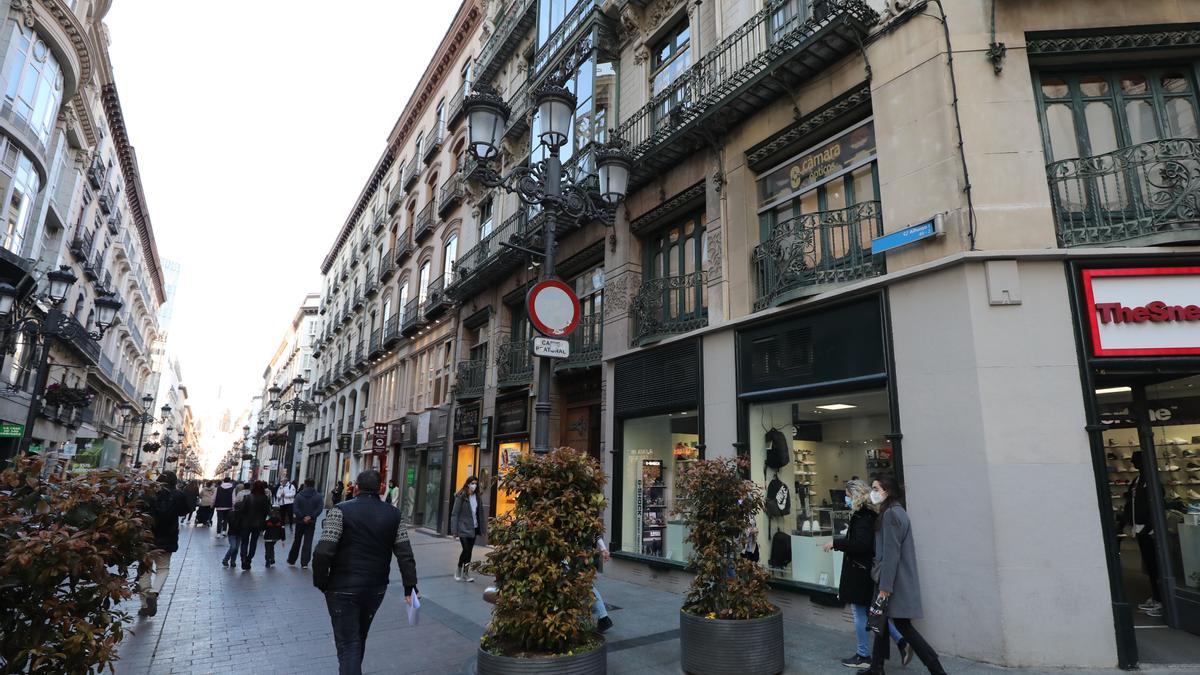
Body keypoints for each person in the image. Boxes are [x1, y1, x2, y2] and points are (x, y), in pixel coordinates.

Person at [314, 470, 418, 675]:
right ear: (381, 488)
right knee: (358, 638)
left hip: (342, 587)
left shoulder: (339, 511)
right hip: (375, 587)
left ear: (357, 488)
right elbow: (405, 553)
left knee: (348, 645)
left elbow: (323, 551)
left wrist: (322, 581)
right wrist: (410, 586)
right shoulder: (394, 514)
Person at [822, 479, 912, 669]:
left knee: (860, 612)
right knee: (873, 612)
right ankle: (902, 641)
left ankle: (863, 655)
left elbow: (861, 545)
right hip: (864, 570)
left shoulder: (863, 517)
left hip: (859, 571)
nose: (845, 499)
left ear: (855, 495)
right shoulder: (869, 514)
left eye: (847, 496)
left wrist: (836, 543)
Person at [865, 475, 946, 675]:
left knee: (903, 626)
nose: (872, 492)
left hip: (893, 582)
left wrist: (885, 588)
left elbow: (892, 554)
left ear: (887, 491)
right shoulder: (895, 512)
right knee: (881, 622)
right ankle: (877, 667)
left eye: (876, 488)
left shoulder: (892, 515)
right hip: (893, 580)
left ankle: (937, 669)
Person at [137, 470, 189, 616]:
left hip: (147, 536)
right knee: (163, 568)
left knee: (144, 569)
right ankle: (154, 592)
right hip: (168, 535)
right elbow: (184, 511)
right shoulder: (178, 495)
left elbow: (139, 510)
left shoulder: (149, 493)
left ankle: (144, 604)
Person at [1119, 451, 1163, 617]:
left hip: (1148, 528)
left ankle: (1161, 600)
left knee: (1155, 565)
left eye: (1136, 461)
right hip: (1140, 527)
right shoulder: (1138, 481)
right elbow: (1131, 502)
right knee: (1150, 565)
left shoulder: (1151, 481)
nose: (1133, 464)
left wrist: (1150, 526)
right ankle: (1157, 597)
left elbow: (1157, 503)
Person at [450, 475, 483, 582]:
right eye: (472, 483)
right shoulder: (461, 496)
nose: (474, 485)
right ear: (468, 484)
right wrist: (454, 531)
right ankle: (459, 568)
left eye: (476, 483)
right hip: (463, 527)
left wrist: (482, 527)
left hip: (474, 527)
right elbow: (455, 514)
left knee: (469, 551)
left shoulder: (477, 497)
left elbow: (480, 513)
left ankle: (466, 573)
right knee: (466, 549)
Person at [237, 481, 273, 571]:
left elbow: (242, 510)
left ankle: (243, 558)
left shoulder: (247, 497)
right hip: (258, 524)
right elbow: (267, 512)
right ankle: (249, 559)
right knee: (253, 542)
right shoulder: (265, 498)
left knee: (244, 542)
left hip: (246, 523)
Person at [289, 478, 324, 568]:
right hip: (311, 522)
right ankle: (304, 562)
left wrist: (302, 516)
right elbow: (319, 508)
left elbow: (295, 508)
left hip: (300, 522)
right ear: (313, 484)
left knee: (297, 541)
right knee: (308, 542)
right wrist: (311, 516)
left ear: (305, 484)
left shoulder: (299, 495)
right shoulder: (318, 496)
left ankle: (292, 560)